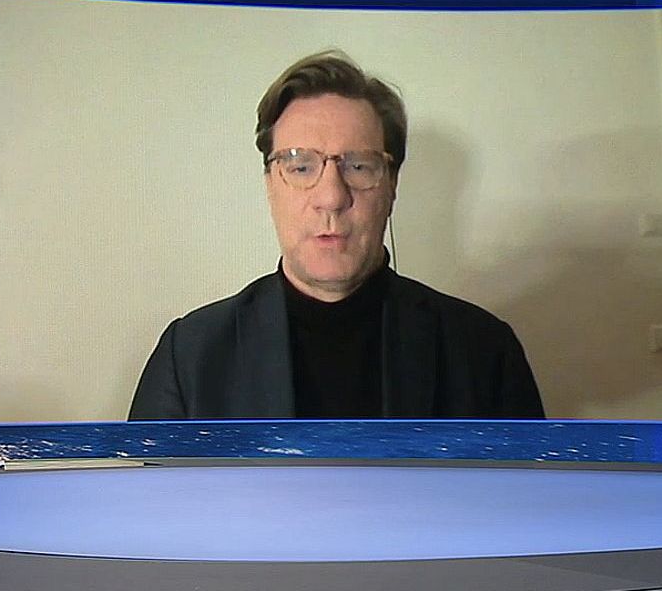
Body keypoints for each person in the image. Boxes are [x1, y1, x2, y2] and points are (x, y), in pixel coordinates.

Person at [129, 51, 544, 421]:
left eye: (359, 166)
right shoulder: (189, 356)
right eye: (300, 166)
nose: (331, 197)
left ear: (392, 185)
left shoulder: (484, 352)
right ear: (270, 184)